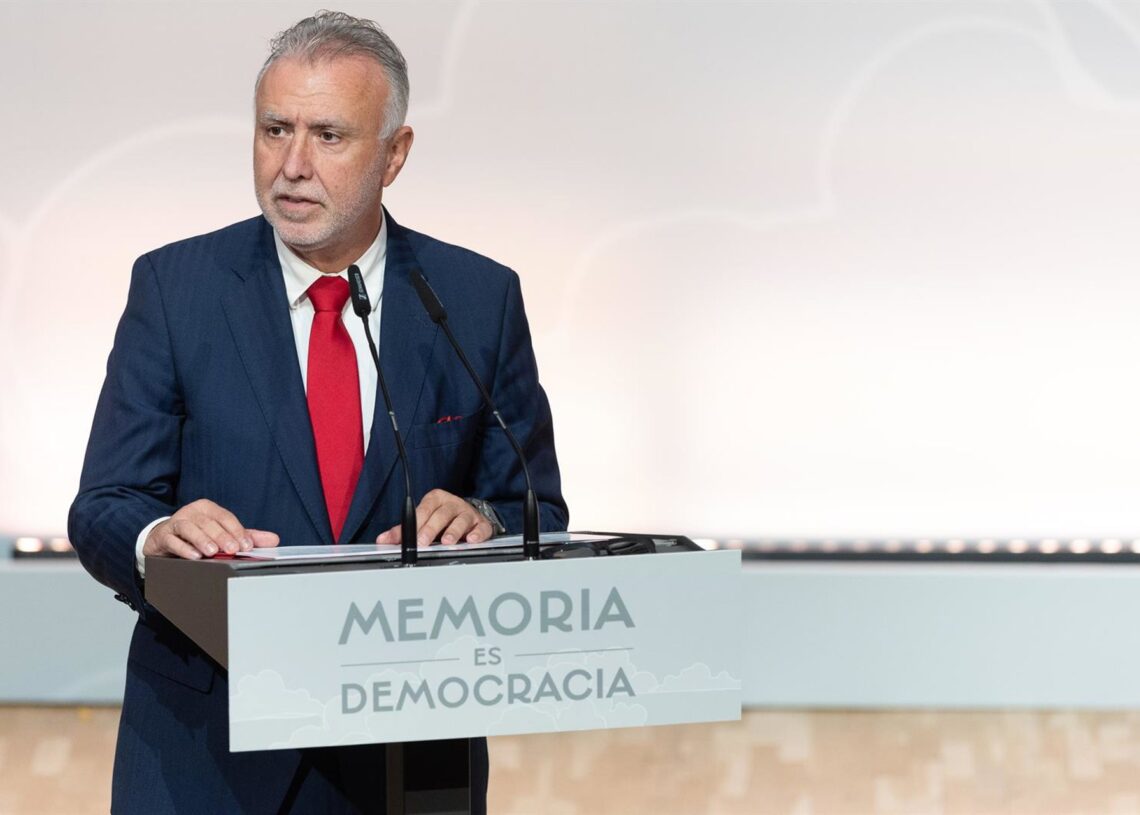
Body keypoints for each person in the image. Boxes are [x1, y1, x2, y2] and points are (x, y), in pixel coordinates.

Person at [67, 10, 567, 814]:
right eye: (274, 129)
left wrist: (480, 518)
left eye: (329, 135)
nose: (292, 165)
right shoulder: (175, 288)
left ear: (394, 155)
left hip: (407, 753)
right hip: (208, 753)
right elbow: (103, 505)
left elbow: (532, 505)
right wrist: (153, 535)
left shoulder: (475, 300)